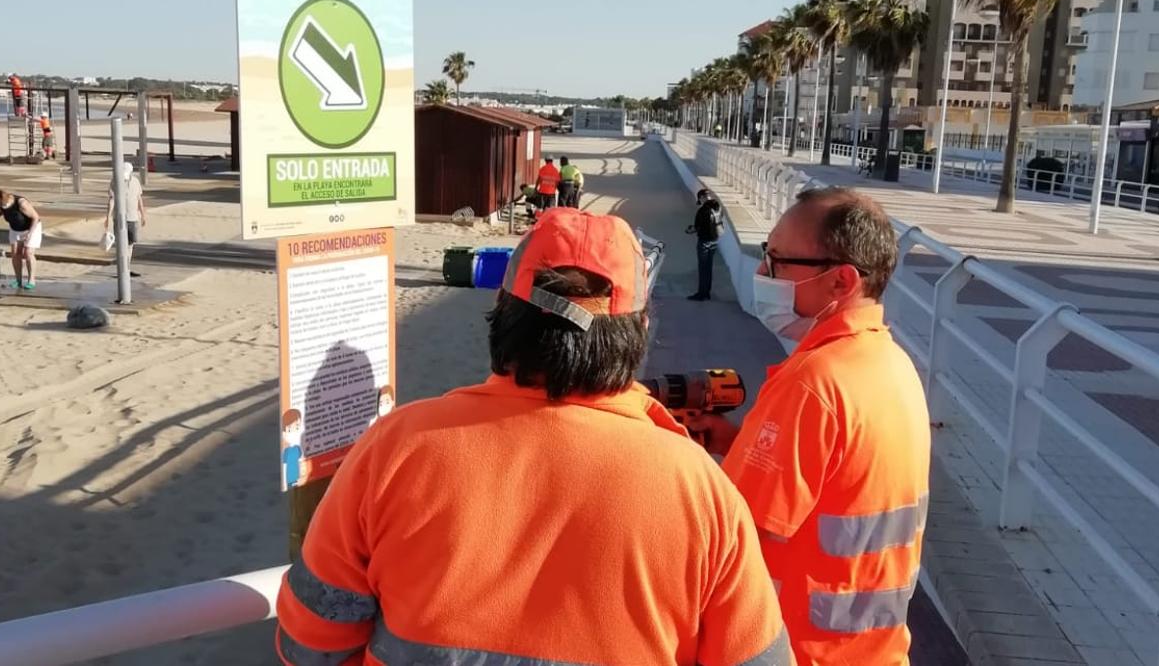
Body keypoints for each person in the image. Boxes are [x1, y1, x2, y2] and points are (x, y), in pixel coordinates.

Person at [276, 207, 791, 666]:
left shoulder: (395, 447)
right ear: (638, 328)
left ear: (506, 311)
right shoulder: (700, 490)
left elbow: (310, 643)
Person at [696, 187, 930, 666]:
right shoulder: (890, 364)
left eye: (777, 261)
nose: (762, 273)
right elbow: (834, 497)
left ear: (841, 281)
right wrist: (738, 443)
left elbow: (732, 541)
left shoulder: (813, 385)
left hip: (797, 651)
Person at [0, 190, 41, 290]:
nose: (1, 207)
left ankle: (31, 280)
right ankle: (18, 280)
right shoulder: (2, 205)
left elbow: (35, 217)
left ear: (5, 200)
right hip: (15, 229)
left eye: (1, 204)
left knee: (28, 253)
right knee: (15, 253)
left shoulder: (21, 204)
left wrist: (30, 233)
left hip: (32, 227)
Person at [105, 162, 147, 277]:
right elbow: (112, 200)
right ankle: (122, 269)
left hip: (133, 217)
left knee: (131, 243)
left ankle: (127, 267)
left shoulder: (135, 182)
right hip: (119, 218)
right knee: (121, 244)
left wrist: (143, 214)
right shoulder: (115, 181)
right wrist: (107, 217)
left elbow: (139, 198)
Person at [688, 188, 723, 301]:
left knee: (703, 268)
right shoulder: (718, 207)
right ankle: (707, 292)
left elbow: (698, 227)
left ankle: (701, 294)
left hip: (704, 242)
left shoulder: (702, 210)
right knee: (708, 268)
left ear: (702, 198)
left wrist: (690, 230)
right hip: (715, 241)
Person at [281, 409, 305, 489]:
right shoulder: (288, 448)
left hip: (296, 474)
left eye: (298, 426)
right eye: (296, 426)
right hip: (291, 476)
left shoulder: (294, 448)